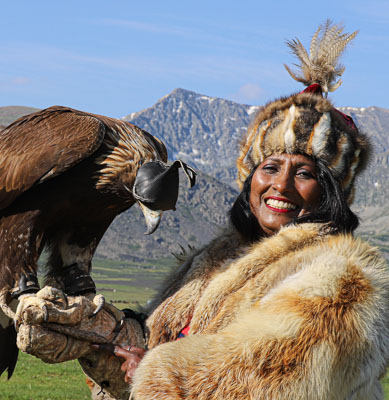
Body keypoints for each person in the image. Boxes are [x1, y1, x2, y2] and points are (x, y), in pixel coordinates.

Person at [13, 21, 389, 400]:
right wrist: (100, 337)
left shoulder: (344, 282)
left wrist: (155, 371)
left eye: (305, 173)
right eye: (270, 167)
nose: (282, 185)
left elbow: (264, 382)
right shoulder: (213, 261)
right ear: (250, 179)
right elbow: (157, 344)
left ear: (330, 194)